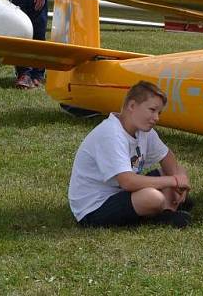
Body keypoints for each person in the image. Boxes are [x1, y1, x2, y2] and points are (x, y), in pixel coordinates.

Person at [68, 81, 193, 228]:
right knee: (153, 197)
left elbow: (167, 156)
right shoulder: (111, 133)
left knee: (179, 170)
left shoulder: (144, 131)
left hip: (120, 192)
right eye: (152, 110)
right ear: (132, 106)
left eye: (159, 113)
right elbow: (127, 182)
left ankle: (167, 211)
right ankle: (162, 209)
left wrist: (177, 184)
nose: (156, 118)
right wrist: (172, 182)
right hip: (94, 207)